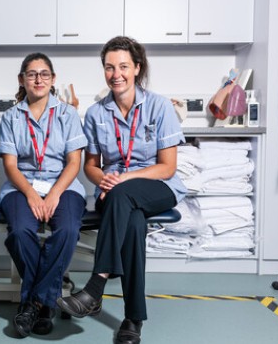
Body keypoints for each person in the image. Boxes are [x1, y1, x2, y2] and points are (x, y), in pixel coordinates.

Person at [56, 36, 187, 344]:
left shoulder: (159, 106)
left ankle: (95, 287)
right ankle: (133, 318)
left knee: (122, 195)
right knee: (134, 223)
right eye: (109, 67)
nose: (116, 74)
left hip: (158, 187)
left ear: (137, 68)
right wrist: (104, 180)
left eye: (123, 67)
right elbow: (91, 165)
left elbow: (167, 167)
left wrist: (122, 179)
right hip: (113, 194)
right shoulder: (96, 113)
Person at [0, 53, 87, 338]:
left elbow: (74, 162)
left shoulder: (67, 114)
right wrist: (32, 195)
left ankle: (34, 302)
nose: (38, 79)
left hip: (62, 185)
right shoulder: (11, 117)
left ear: (53, 79)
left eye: (44, 74)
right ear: (22, 80)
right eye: (32, 74)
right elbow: (10, 165)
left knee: (69, 229)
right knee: (20, 231)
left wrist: (53, 195)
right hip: (21, 186)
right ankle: (47, 302)